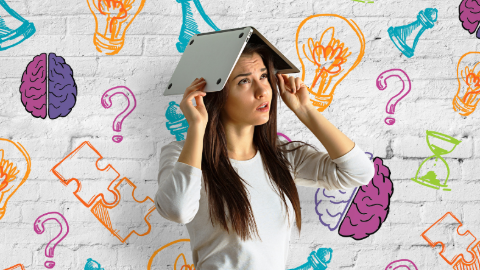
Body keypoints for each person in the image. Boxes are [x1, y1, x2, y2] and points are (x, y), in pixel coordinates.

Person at [155, 42, 375, 269]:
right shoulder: (183, 153)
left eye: (263, 77)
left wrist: (305, 110)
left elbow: (359, 172)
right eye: (244, 81)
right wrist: (197, 129)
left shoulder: (282, 156)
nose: (262, 91)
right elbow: (177, 210)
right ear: (212, 94)